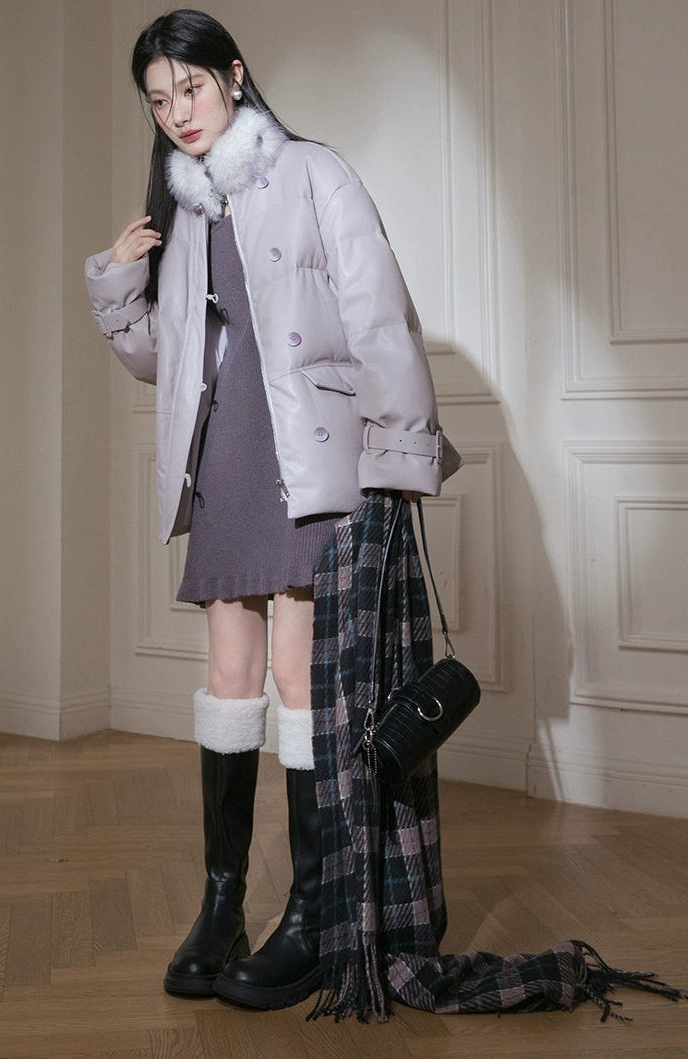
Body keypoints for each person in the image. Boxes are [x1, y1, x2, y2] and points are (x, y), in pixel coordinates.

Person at [85, 8, 458, 1012]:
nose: (178, 112)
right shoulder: (185, 210)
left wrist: (397, 458)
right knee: (227, 679)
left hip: (305, 458)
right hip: (224, 460)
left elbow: (380, 316)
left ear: (234, 76)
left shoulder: (312, 173)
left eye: (190, 88)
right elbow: (166, 363)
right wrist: (119, 286)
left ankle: (312, 909)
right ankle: (222, 905)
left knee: (300, 680)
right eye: (158, 101)